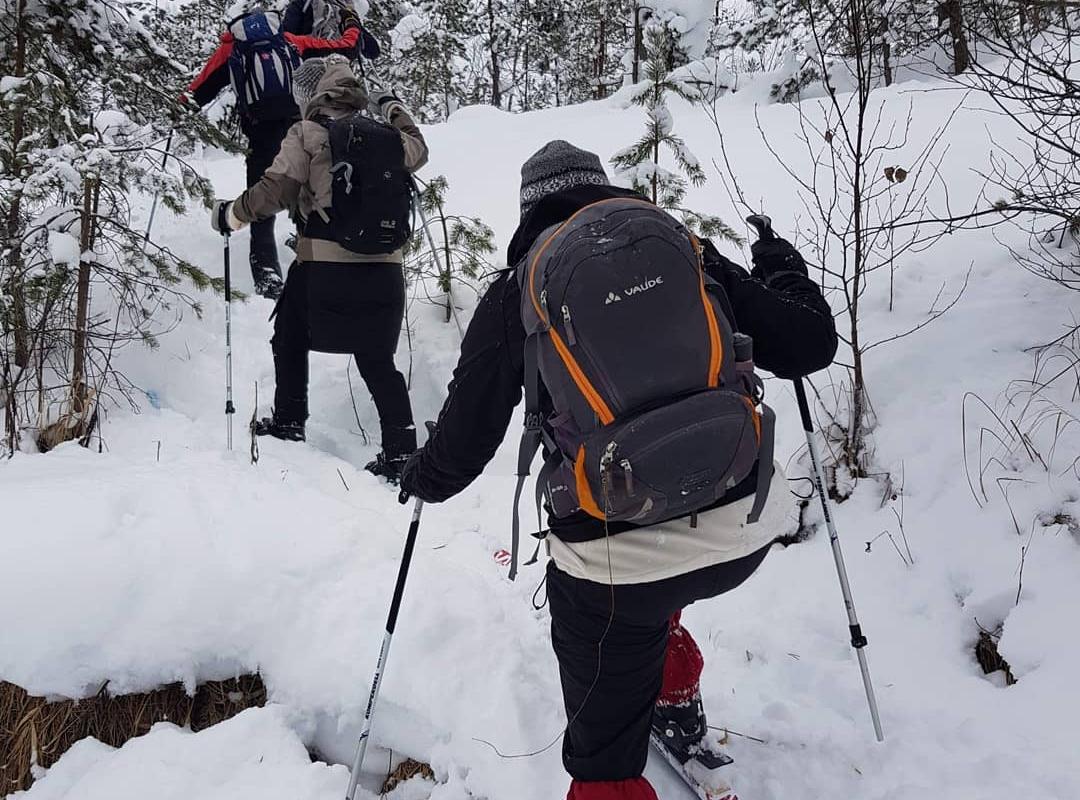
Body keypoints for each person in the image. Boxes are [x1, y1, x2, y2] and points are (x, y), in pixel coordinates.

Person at [399, 141, 838, 799]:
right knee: (660, 568)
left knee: (604, 745)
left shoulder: (520, 287)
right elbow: (809, 344)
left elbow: (460, 451)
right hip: (743, 523)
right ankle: (672, 694)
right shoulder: (686, 250)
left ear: (531, 214)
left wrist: (419, 476)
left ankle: (617, 764)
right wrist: (784, 269)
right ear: (601, 192)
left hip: (616, 566)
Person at [210, 56, 428, 483]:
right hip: (386, 270)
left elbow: (278, 188)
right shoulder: (386, 135)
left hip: (324, 266)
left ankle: (289, 421)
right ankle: (401, 452)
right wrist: (392, 106)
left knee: (289, 335)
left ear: (310, 94)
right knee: (377, 359)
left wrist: (233, 215)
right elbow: (418, 150)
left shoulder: (309, 132)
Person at [186, 3, 366, 299]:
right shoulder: (289, 42)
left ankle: (267, 275)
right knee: (306, 192)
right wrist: (350, 20)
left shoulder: (233, 50)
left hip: (260, 134)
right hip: (298, 130)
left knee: (263, 195)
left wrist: (176, 110)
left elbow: (197, 92)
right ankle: (310, 255)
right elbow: (344, 48)